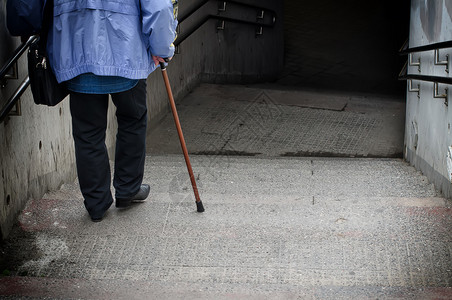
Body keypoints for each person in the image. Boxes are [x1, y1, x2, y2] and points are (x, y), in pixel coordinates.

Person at [46, 0, 178, 222]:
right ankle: (128, 189)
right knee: (133, 120)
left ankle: (96, 204)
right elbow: (159, 8)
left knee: (87, 133)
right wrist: (163, 49)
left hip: (78, 51)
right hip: (126, 51)